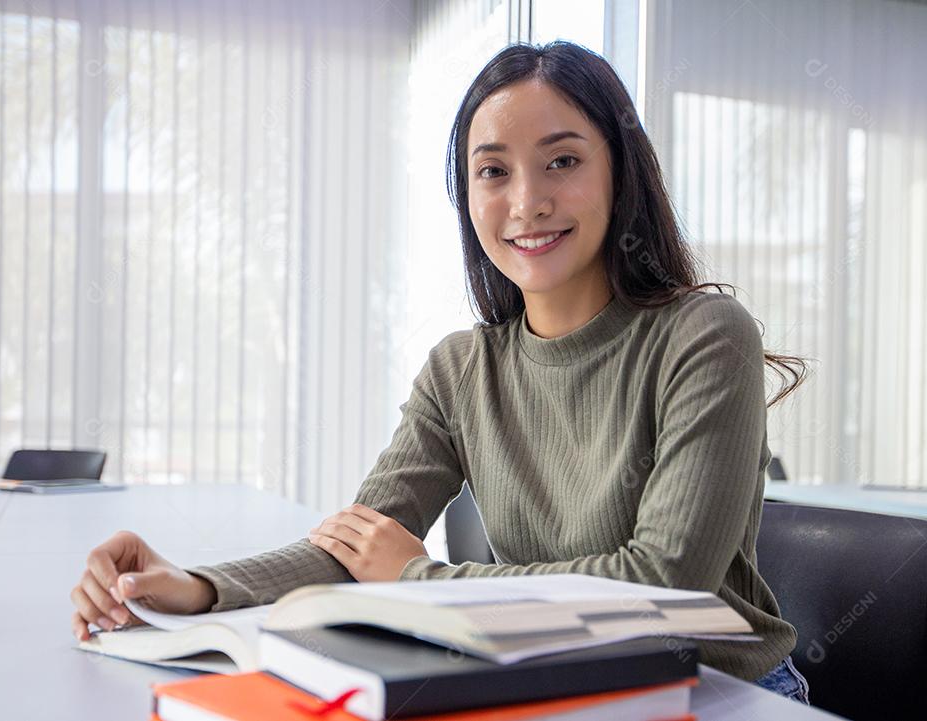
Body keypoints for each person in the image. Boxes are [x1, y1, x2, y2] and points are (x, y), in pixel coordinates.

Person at [70, 41, 810, 704]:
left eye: (562, 160)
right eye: (494, 171)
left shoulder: (705, 335)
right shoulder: (461, 368)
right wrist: (196, 586)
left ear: (622, 172)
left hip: (724, 692)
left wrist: (418, 580)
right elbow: (357, 547)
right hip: (562, 685)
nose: (528, 202)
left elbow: (664, 584)